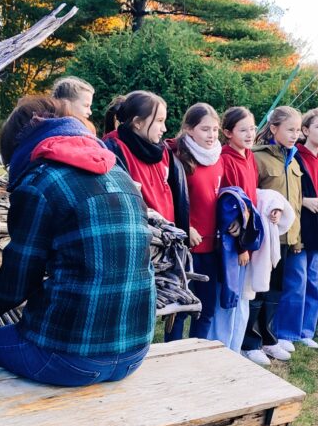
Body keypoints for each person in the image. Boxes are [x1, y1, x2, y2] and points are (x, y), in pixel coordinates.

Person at [0, 95, 155, 386]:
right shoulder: (119, 174)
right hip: (134, 353)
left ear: (18, 148)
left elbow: (18, 280)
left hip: (68, 356)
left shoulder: (39, 182)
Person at [277, 107, 318, 348]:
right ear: (305, 130)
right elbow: (285, 191)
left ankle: (306, 331)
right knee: (296, 282)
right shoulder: (294, 156)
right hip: (299, 230)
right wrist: (305, 201)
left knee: (315, 283)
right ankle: (286, 332)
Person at [243, 106, 304, 363]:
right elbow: (252, 195)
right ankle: (250, 342)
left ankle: (269, 339)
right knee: (257, 289)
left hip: (286, 239)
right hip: (265, 240)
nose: (295, 135)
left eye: (298, 130)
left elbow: (296, 203)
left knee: (275, 290)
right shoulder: (257, 158)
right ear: (274, 128)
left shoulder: (294, 160)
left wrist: (297, 237)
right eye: (290, 129)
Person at [168, 103, 224, 340]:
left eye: (215, 129)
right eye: (205, 129)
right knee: (181, 309)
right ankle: (173, 353)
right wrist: (185, 226)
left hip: (213, 246)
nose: (211, 135)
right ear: (189, 129)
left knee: (206, 308)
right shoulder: (177, 159)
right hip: (187, 248)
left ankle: (197, 351)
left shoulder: (218, 158)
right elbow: (169, 201)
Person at [211, 107, 262, 352]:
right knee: (229, 297)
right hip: (234, 244)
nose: (250, 134)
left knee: (243, 297)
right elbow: (232, 208)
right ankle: (220, 348)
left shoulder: (249, 156)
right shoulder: (225, 159)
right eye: (243, 130)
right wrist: (241, 245)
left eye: (252, 128)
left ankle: (235, 347)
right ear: (228, 132)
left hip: (248, 239)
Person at [102, 91, 190, 233]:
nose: (164, 128)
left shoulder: (164, 152)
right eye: (159, 121)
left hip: (168, 238)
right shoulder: (113, 151)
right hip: (139, 237)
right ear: (138, 122)